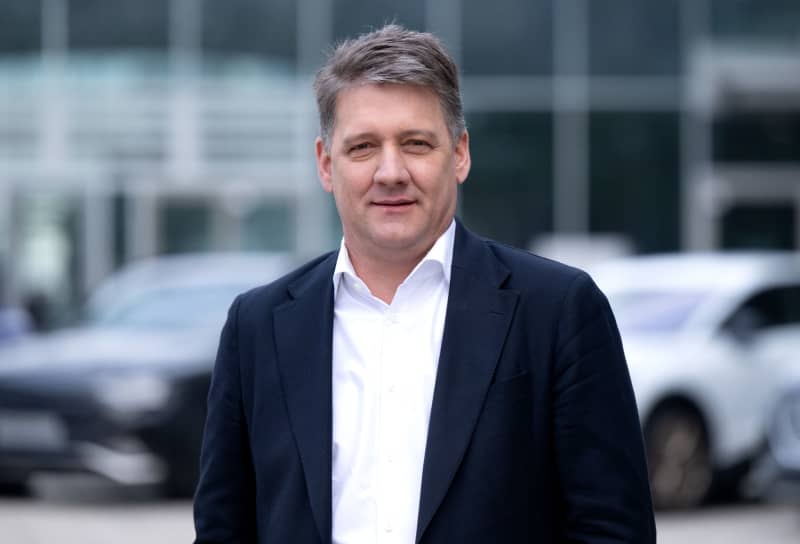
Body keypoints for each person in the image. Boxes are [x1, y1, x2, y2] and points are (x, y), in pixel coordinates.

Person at [193, 24, 656, 544]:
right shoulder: (257, 327)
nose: (391, 172)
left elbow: (614, 531)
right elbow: (222, 530)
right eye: (363, 147)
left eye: (415, 143)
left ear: (459, 154)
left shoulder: (558, 311)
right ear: (326, 164)